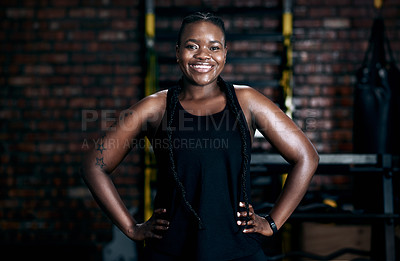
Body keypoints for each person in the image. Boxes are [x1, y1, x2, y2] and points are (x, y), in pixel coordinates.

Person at [81, 12, 319, 261]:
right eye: (192, 46)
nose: (203, 54)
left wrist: (272, 222)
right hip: (170, 251)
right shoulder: (155, 107)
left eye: (213, 47)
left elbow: (306, 157)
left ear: (225, 53)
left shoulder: (247, 101)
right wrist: (131, 228)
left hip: (238, 250)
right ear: (177, 52)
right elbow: (94, 166)